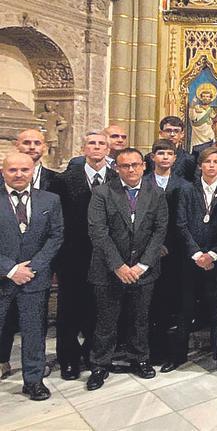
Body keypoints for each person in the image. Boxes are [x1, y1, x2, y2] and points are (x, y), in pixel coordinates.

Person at [86, 148, 168, 391]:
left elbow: (159, 230)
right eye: (125, 166)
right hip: (109, 269)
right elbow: (98, 232)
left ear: (144, 166)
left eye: (135, 165)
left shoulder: (157, 193)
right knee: (105, 321)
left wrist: (142, 265)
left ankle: (140, 358)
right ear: (116, 168)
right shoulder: (102, 193)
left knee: (140, 319)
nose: (131, 170)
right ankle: (100, 364)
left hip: (144, 269)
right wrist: (119, 266)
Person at [53, 131, 116, 381]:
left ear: (108, 150)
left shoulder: (115, 178)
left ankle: (93, 354)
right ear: (84, 148)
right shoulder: (65, 180)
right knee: (69, 309)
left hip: (105, 255)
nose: (97, 147)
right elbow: (58, 222)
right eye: (92, 143)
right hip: (73, 255)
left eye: (102, 144)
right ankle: (68, 359)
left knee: (98, 308)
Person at [0, 153, 63, 400]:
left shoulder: (50, 200)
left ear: (32, 171)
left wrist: (33, 267)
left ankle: (34, 380)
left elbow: (56, 236)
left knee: (34, 331)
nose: (19, 174)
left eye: (24, 170)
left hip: (35, 279)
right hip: (2, 278)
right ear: (3, 171)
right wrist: (11, 269)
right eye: (13, 170)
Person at [164, 147, 217, 372]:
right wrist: (196, 254)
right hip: (189, 259)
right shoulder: (186, 190)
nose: (211, 165)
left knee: (216, 308)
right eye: (207, 162)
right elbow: (180, 224)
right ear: (200, 166)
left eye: (215, 162)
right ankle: (178, 355)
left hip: (216, 258)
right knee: (184, 307)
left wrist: (212, 254)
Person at [144, 139, 191, 366]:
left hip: (177, 251)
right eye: (160, 153)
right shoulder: (142, 183)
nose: (164, 157)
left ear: (175, 158)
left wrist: (169, 245)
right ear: (152, 157)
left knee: (175, 303)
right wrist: (154, 245)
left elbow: (184, 220)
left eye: (169, 154)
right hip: (146, 251)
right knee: (151, 304)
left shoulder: (184, 185)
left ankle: (175, 354)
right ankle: (152, 351)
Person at [145, 116, 196, 181]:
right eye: (168, 131)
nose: (172, 134)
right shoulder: (149, 158)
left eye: (176, 131)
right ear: (161, 133)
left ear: (182, 134)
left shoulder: (189, 159)